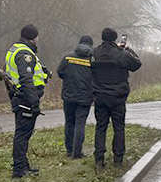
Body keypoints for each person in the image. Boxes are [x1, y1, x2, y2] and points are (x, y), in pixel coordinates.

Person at [91, 28, 142, 167]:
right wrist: (128, 50)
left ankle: (99, 158)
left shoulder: (94, 53)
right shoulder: (122, 54)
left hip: (100, 95)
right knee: (118, 127)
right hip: (117, 97)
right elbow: (137, 64)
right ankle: (118, 158)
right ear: (114, 39)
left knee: (100, 127)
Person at [3, 24, 48, 179]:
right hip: (26, 98)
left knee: (22, 133)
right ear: (34, 37)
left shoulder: (14, 49)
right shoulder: (25, 53)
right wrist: (34, 102)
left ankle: (23, 165)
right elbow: (26, 78)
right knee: (22, 134)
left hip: (19, 97)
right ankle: (19, 169)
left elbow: (9, 73)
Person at [57, 35, 94, 159]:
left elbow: (60, 72)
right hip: (85, 96)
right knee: (80, 124)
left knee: (69, 122)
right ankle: (77, 153)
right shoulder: (92, 59)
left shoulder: (68, 57)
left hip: (69, 96)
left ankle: (69, 150)